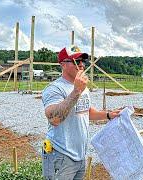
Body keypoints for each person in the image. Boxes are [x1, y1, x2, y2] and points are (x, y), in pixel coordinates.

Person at [41, 46, 120, 180]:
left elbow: (86, 111)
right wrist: (77, 90)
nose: (82, 65)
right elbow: (54, 119)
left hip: (79, 154)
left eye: (83, 61)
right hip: (60, 154)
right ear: (63, 65)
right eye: (76, 61)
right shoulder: (54, 89)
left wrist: (108, 115)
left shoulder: (81, 87)